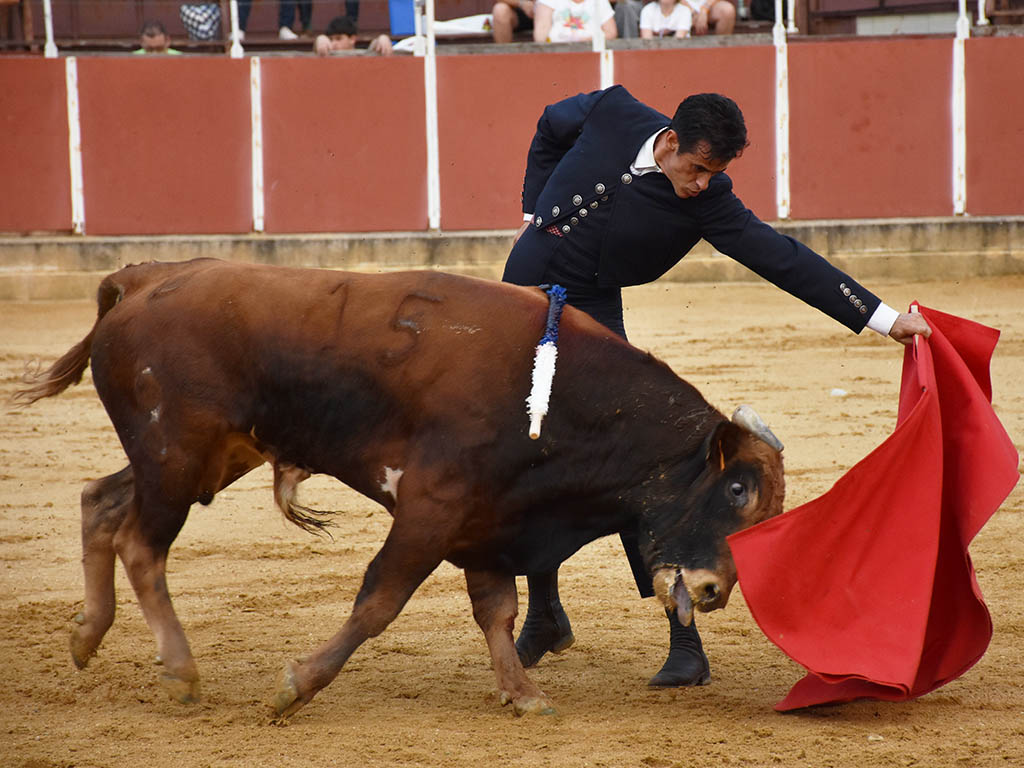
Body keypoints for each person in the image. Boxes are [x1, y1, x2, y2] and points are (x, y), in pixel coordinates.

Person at [502, 86, 931, 688]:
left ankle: (684, 641)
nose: (702, 182)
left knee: (630, 463)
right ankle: (545, 612)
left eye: (716, 172)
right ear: (671, 141)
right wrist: (533, 208)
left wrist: (882, 318)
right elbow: (550, 125)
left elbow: (784, 259)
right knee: (526, 452)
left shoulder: (709, 203)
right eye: (697, 168)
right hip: (517, 297)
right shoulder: (611, 110)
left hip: (592, 316)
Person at [533, 0, 618, 42]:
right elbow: (541, 35)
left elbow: (611, 32)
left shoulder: (600, 1)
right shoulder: (547, 1)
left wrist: (587, 41)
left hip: (591, 53)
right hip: (556, 54)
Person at [313, 15, 394, 55]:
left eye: (338, 39)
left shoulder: (364, 55)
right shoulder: (327, 54)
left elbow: (374, 47)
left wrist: (383, 38)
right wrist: (320, 39)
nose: (333, 44)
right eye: (331, 39)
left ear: (352, 39)